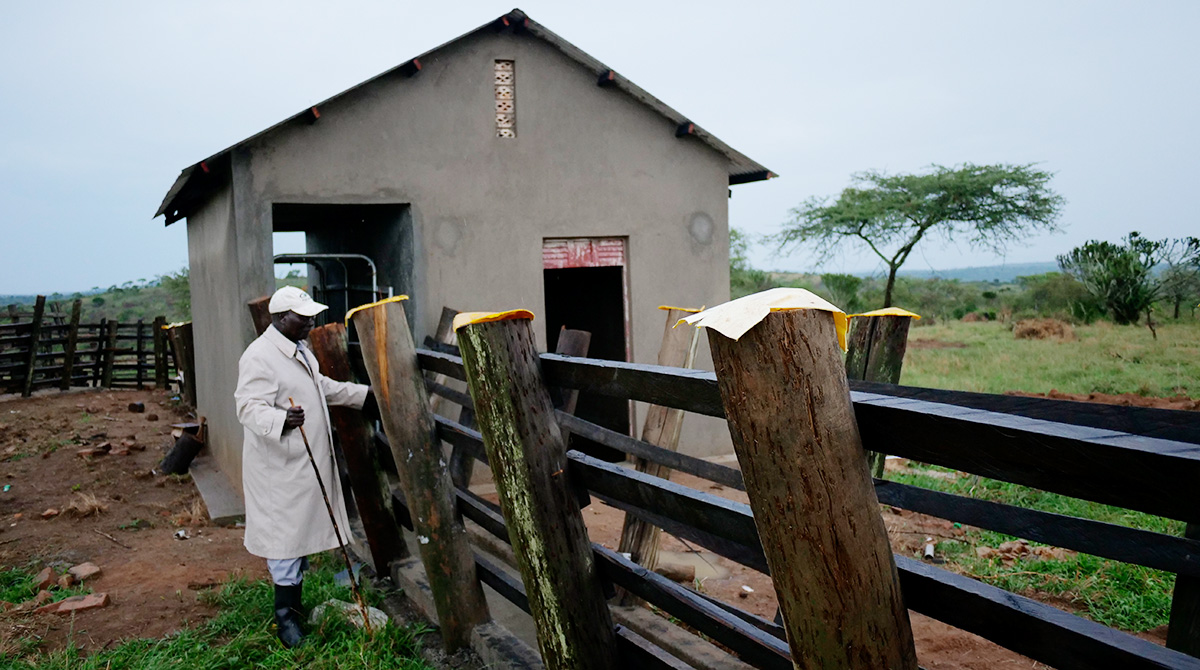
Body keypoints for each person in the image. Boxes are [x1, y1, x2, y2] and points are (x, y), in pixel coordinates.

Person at [234, 286, 376, 648]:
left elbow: (319, 387)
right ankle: (286, 621)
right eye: (303, 316)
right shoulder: (260, 357)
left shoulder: (300, 350)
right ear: (282, 318)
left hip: (300, 465)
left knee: (296, 537)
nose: (310, 321)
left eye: (311, 315)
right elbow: (247, 406)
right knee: (284, 542)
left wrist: (362, 397)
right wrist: (281, 418)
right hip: (279, 467)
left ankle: (294, 608)